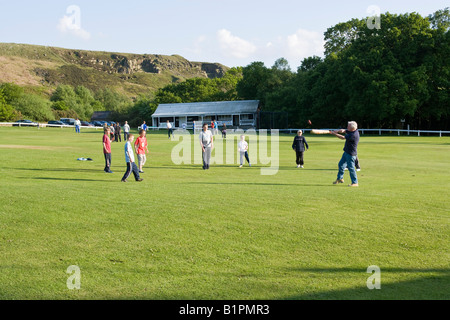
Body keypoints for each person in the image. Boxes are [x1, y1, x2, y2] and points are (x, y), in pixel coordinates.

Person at [331, 121, 360, 187]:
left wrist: (334, 134)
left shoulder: (353, 135)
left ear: (352, 128)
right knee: (341, 165)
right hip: (346, 152)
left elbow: (343, 137)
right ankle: (340, 178)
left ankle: (355, 182)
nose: (347, 127)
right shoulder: (353, 131)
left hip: (351, 154)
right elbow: (344, 131)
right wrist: (337, 130)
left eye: (348, 126)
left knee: (351, 168)